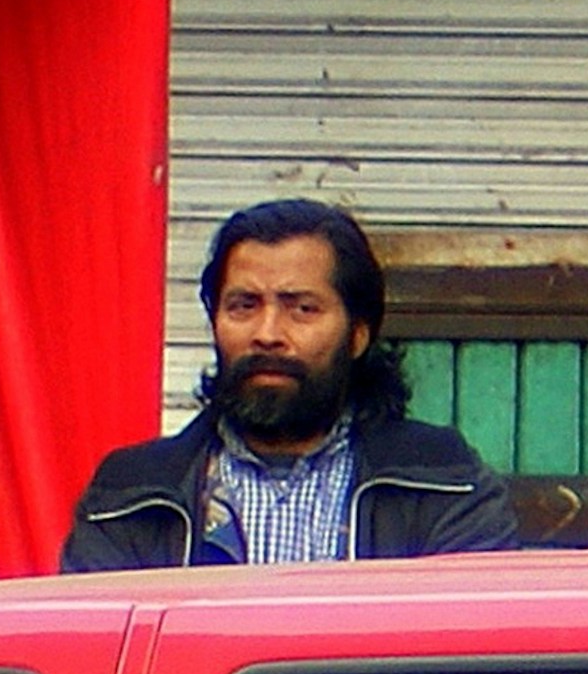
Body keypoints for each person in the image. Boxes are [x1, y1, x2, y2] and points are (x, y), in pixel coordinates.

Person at [63, 199, 518, 571]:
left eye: (301, 308)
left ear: (358, 334)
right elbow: (95, 660)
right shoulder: (129, 495)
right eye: (243, 305)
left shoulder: (443, 483)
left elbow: (472, 663)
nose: (267, 333)